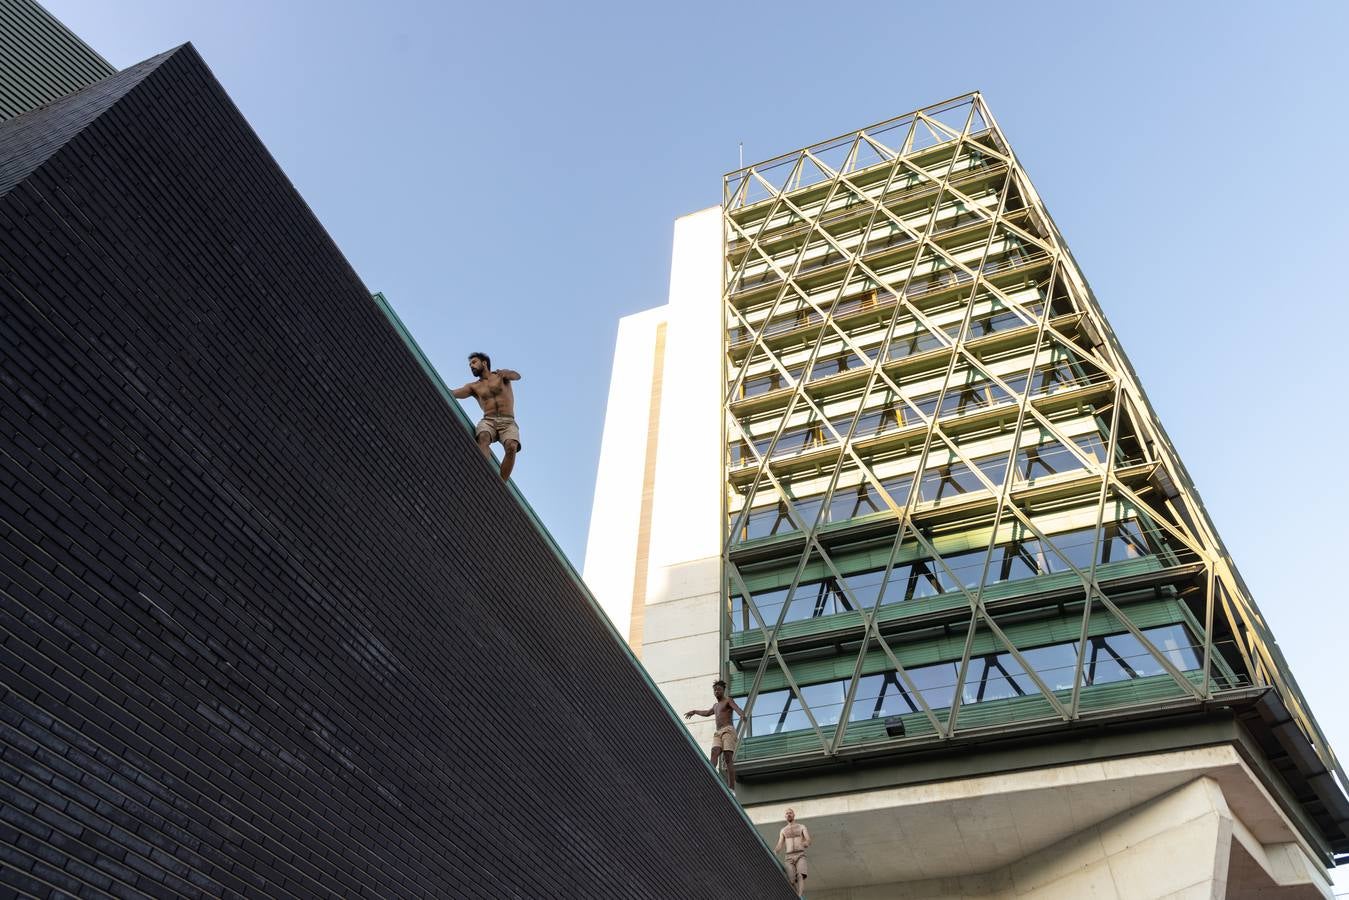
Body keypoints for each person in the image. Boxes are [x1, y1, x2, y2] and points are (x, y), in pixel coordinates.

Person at [452, 352, 522, 480]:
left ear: (484, 363)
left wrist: (508, 373)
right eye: (469, 365)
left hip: (508, 421)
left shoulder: (500, 376)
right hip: (488, 420)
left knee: (512, 446)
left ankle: (500, 484)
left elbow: (517, 376)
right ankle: (483, 474)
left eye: (474, 362)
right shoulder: (473, 386)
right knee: (483, 437)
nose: (471, 366)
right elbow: (453, 393)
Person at [684, 679, 746, 790]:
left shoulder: (728, 700)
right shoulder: (715, 705)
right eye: (715, 690)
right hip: (718, 732)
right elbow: (707, 713)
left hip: (728, 730)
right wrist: (694, 711)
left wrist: (741, 714)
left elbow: (736, 708)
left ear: (723, 690)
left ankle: (731, 788)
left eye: (719, 689)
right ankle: (710, 778)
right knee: (714, 752)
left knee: (728, 758)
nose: (716, 691)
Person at [774, 807, 811, 897]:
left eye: (790, 813)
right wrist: (775, 851)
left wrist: (805, 843)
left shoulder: (801, 827)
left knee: (800, 875)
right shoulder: (783, 830)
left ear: (794, 815)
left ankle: (800, 895)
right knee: (791, 880)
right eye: (787, 813)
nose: (789, 814)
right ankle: (797, 895)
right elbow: (780, 844)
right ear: (785, 817)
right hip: (789, 857)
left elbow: (808, 840)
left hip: (800, 854)